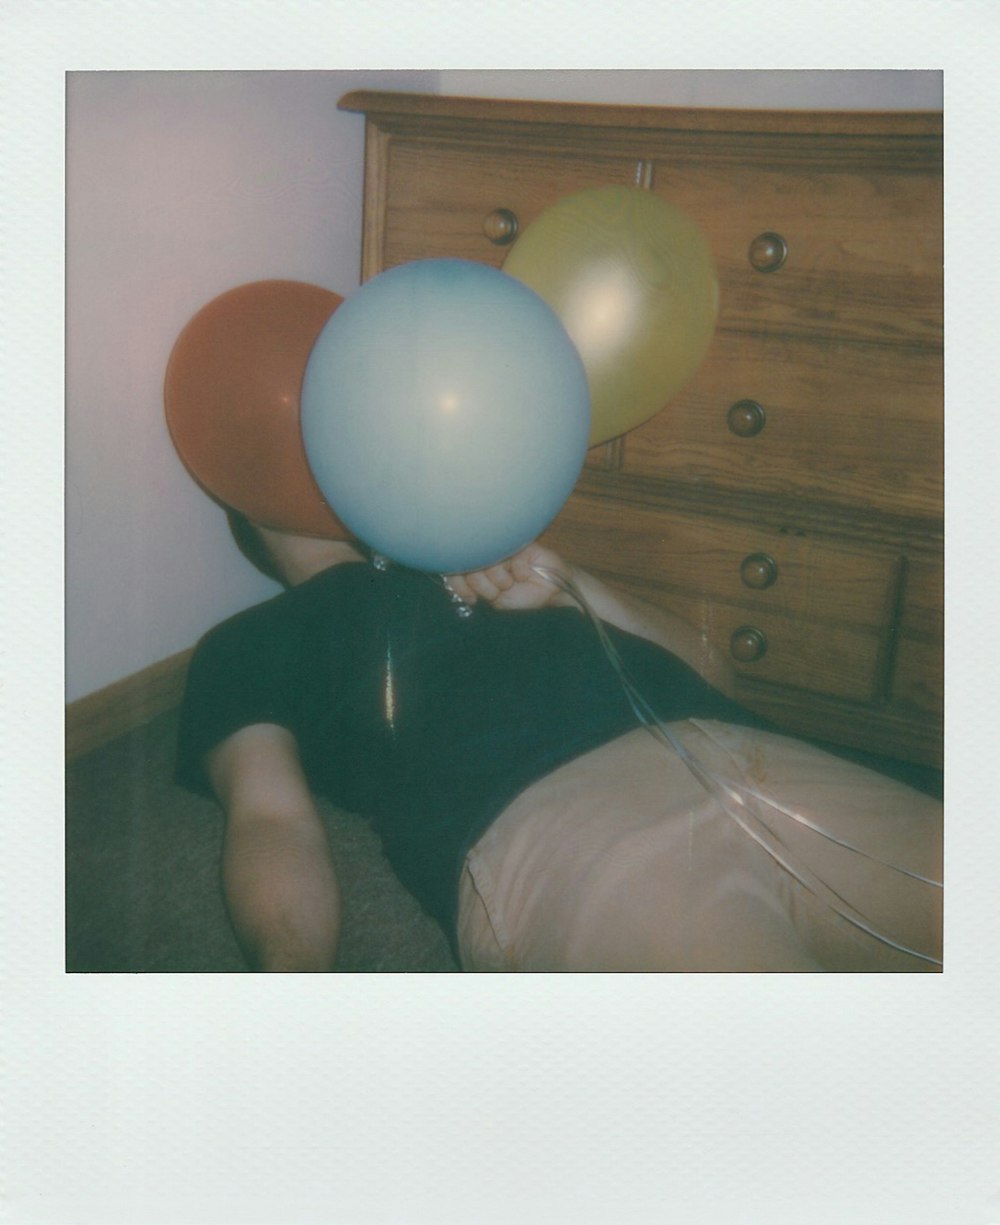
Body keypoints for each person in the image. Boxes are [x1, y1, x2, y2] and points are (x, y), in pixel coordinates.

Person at [175, 514, 943, 974]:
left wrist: (576, 583)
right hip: (572, 836)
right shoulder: (248, 640)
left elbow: (717, 670)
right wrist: (292, 975)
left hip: (747, 758)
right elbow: (269, 815)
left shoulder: (482, 552)